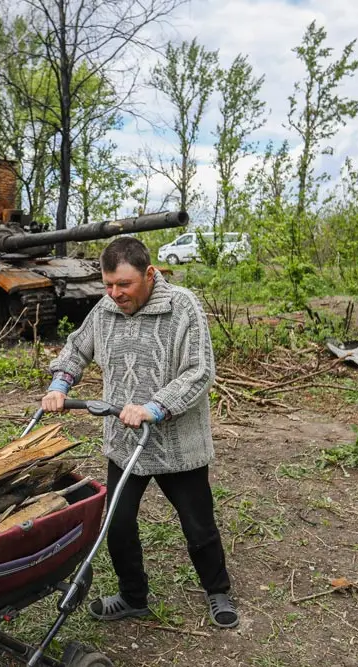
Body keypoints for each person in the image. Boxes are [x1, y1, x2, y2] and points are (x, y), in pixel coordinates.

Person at [41, 236, 238, 628]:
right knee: (118, 523)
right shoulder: (105, 309)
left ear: (150, 274)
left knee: (198, 525)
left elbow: (199, 371)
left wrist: (155, 407)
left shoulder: (183, 307)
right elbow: (78, 349)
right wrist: (61, 383)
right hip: (125, 443)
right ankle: (133, 596)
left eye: (124, 285)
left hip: (177, 445)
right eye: (108, 285)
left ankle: (217, 591)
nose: (115, 294)